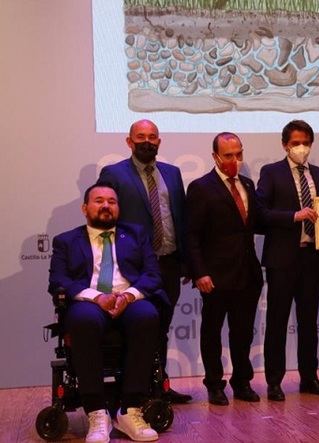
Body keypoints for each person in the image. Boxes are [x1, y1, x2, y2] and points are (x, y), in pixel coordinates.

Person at [48, 182, 166, 442]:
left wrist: (127, 296)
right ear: (85, 208)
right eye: (99, 201)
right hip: (89, 303)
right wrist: (97, 298)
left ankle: (130, 410)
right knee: (83, 320)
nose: (105, 206)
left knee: (147, 315)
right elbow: (58, 280)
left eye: (111, 202)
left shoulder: (135, 234)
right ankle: (97, 412)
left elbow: (152, 275)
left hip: (130, 300)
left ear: (118, 208)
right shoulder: (66, 241)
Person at [98, 119, 191, 404]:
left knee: (161, 327)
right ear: (129, 141)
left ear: (159, 141)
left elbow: (181, 218)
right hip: (133, 270)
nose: (147, 141)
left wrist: (186, 262)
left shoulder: (173, 173)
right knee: (137, 327)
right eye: (141, 137)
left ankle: (158, 384)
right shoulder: (113, 173)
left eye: (152, 136)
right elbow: (105, 219)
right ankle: (132, 388)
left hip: (168, 264)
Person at [256, 120, 319, 401]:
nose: (301, 148)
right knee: (277, 321)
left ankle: (310, 378)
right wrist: (293, 215)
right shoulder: (271, 172)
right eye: (295, 143)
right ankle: (274, 382)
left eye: (305, 143)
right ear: (285, 145)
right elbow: (260, 213)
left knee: (308, 321)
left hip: (312, 256)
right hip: (282, 259)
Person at [186, 132, 264, 405]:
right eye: (228, 155)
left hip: (248, 274)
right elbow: (192, 235)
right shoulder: (201, 187)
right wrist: (200, 273)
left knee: (243, 333)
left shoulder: (248, 184)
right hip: (215, 276)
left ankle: (242, 382)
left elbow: (259, 221)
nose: (235, 160)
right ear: (215, 157)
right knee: (212, 332)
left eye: (239, 154)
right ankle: (214, 384)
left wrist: (295, 216)